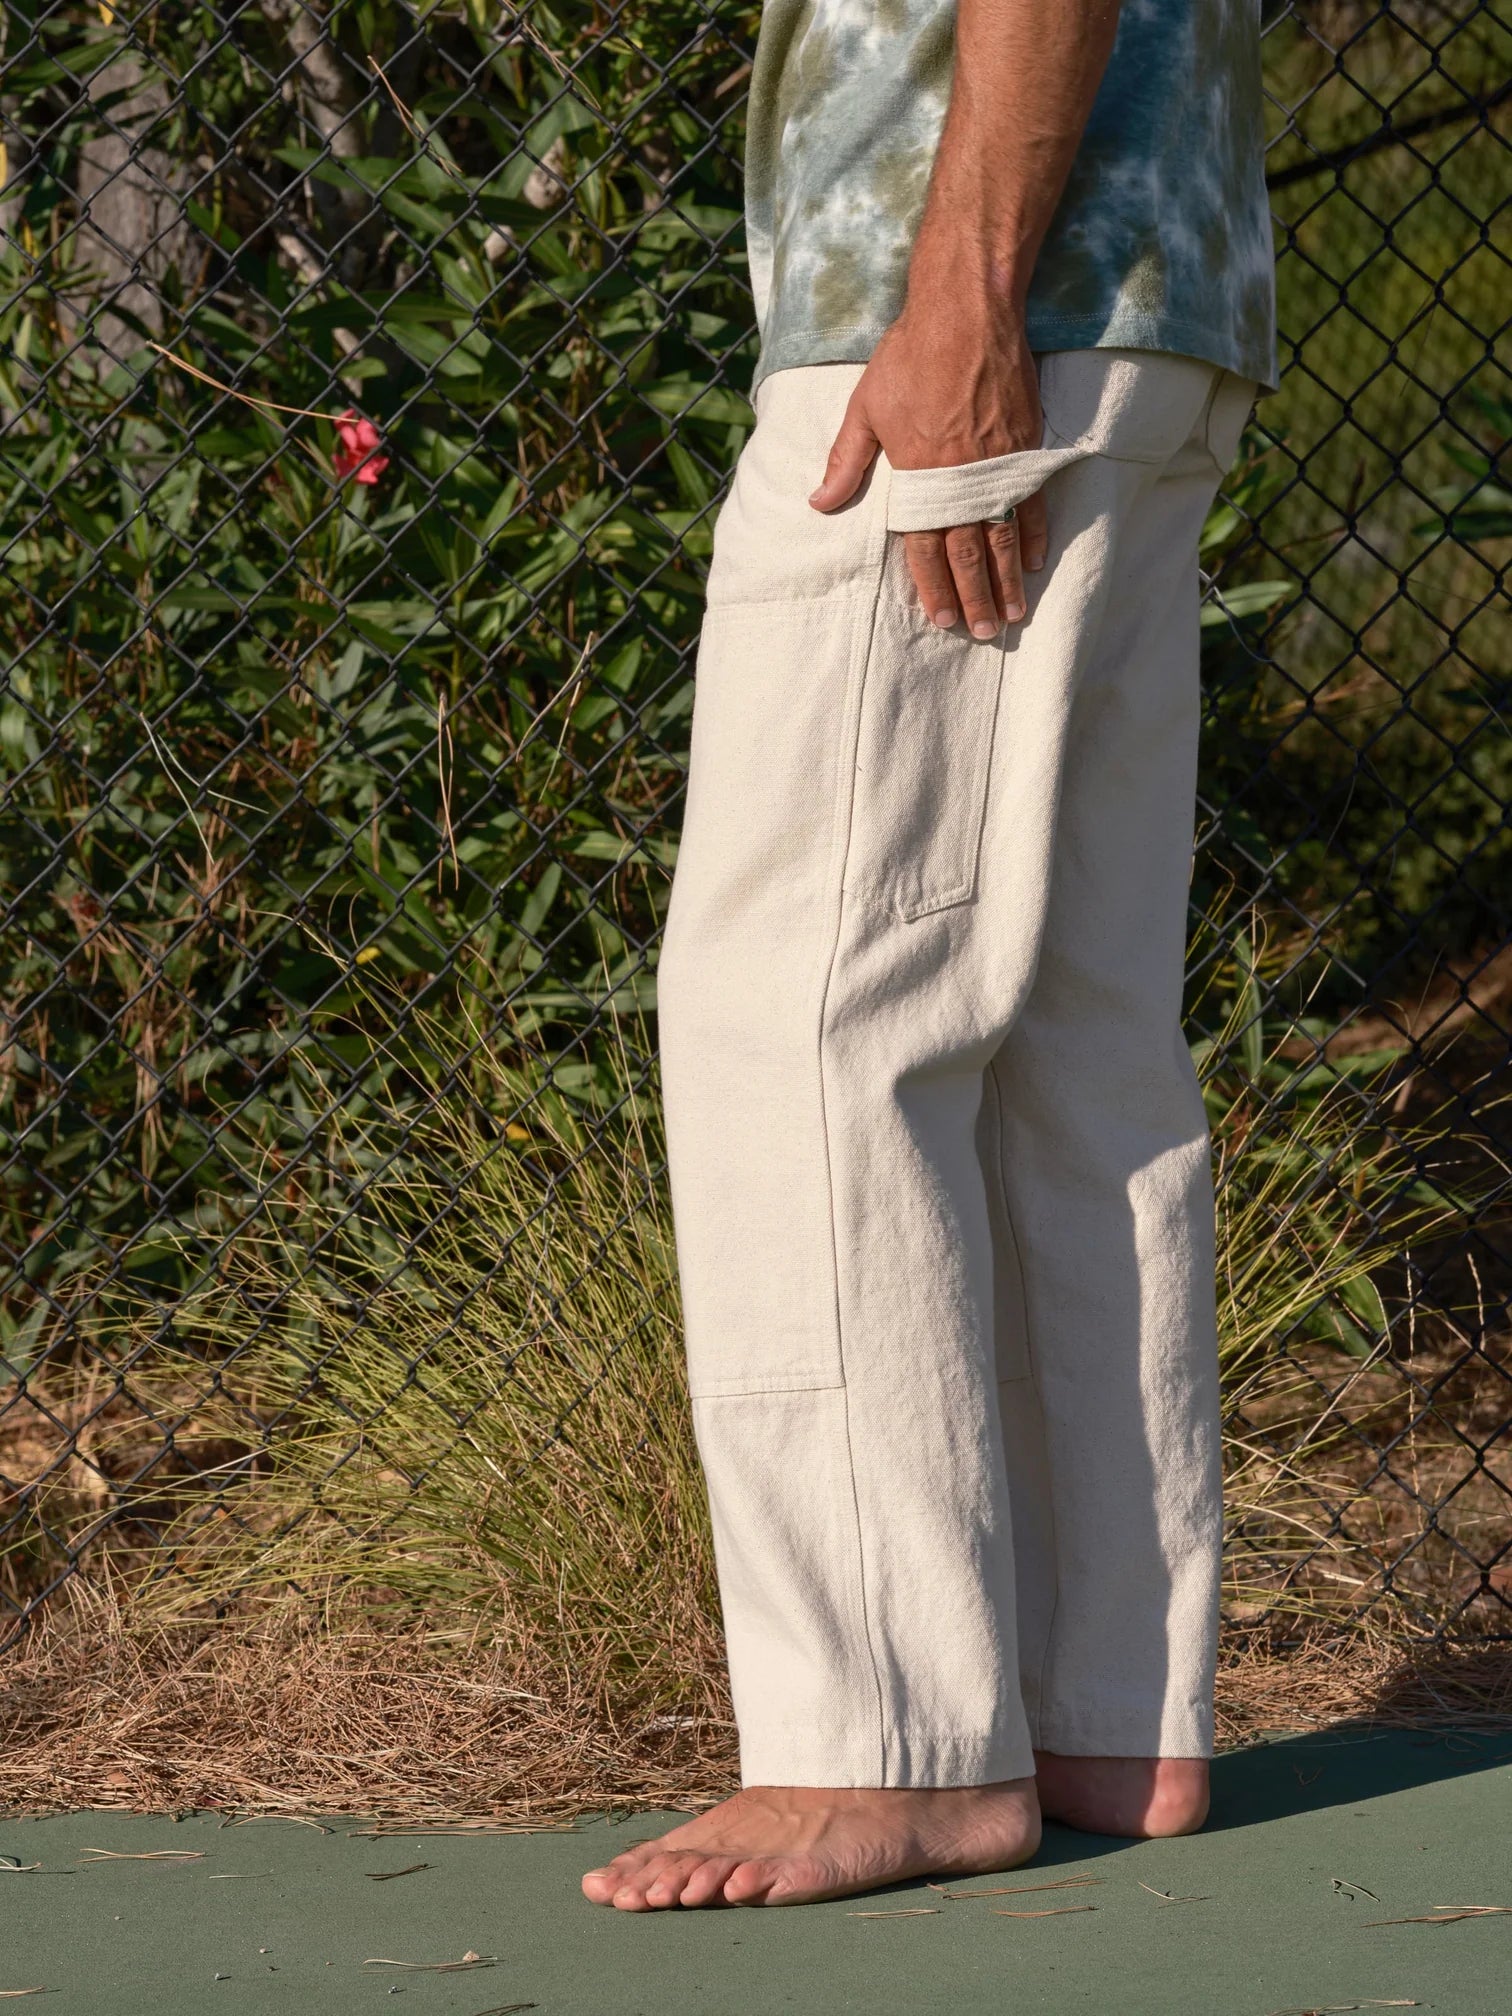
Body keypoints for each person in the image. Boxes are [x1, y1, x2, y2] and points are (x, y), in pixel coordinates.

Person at [584, 0, 1275, 1912]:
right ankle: (1100, 1704)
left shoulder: (965, 292)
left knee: (805, 1014)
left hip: (970, 295)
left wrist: (962, 294)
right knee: (1068, 1030)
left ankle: (880, 1737)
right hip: (1147, 281)